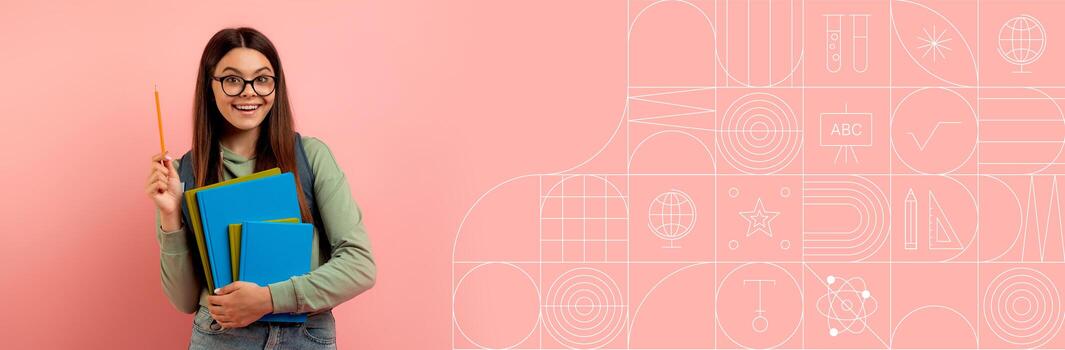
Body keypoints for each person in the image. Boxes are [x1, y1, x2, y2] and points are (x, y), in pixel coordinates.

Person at [145, 27, 376, 349]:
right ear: (210, 86)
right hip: (220, 338)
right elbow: (184, 300)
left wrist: (268, 298)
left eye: (262, 79)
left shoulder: (310, 156)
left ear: (275, 86)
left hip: (305, 336)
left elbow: (360, 266)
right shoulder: (186, 171)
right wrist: (170, 216)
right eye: (232, 79)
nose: (249, 92)